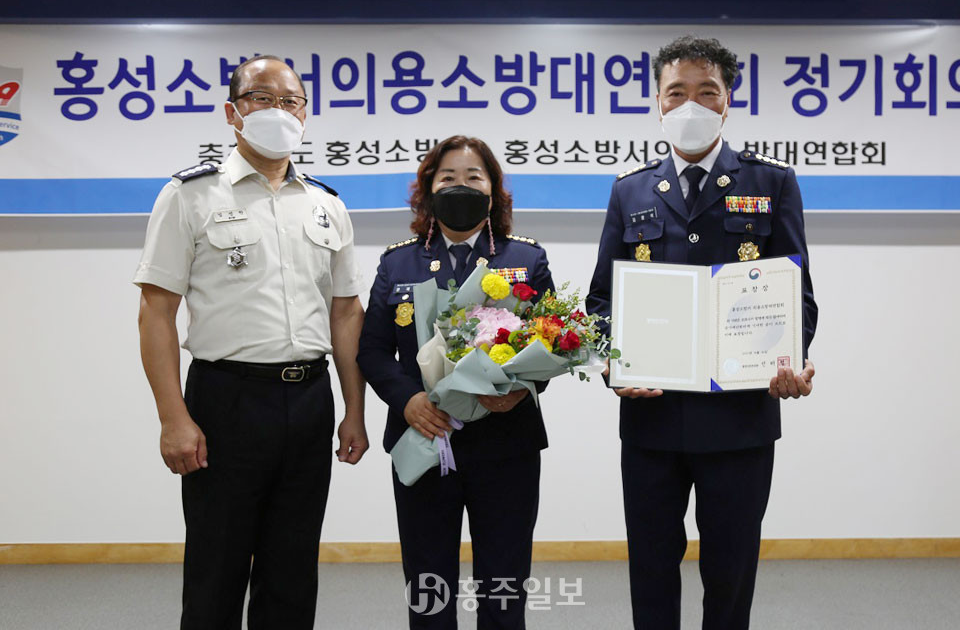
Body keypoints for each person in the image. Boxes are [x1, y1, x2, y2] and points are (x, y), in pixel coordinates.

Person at [586, 36, 818, 630]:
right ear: (658, 103)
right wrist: (612, 363)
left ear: (728, 100)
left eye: (706, 91)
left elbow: (797, 294)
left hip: (740, 419)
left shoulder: (771, 182)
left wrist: (792, 359)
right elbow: (602, 300)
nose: (691, 104)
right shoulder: (630, 189)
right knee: (650, 568)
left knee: (731, 571)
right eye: (676, 92)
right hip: (652, 417)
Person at [134, 55, 368, 630]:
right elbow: (156, 313)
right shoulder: (189, 195)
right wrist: (173, 418)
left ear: (305, 115)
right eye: (262, 98)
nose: (278, 110)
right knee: (216, 568)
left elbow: (345, 312)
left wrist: (354, 410)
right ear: (232, 112)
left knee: (292, 571)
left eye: (291, 101)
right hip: (226, 401)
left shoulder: (327, 204)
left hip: (308, 400)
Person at [357, 135, 555, 629]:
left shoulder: (526, 259)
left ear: (492, 190)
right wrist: (408, 401)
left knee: (504, 582)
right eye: (448, 178)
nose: (460, 187)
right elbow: (373, 351)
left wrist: (520, 389)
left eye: (473, 178)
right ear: (428, 189)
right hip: (424, 438)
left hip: (506, 443)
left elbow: (553, 343)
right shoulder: (398, 263)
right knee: (429, 584)